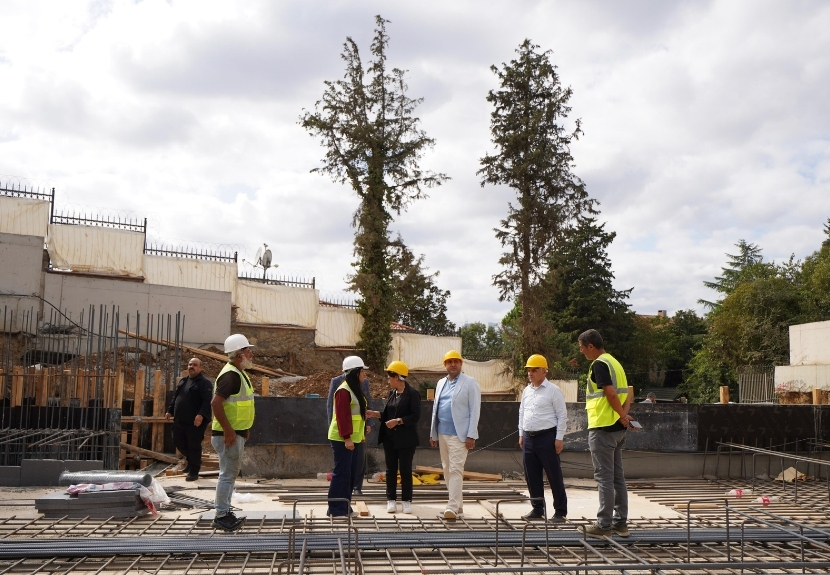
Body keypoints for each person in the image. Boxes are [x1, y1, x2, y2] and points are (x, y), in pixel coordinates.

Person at [578, 329, 633, 538]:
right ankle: (621, 523)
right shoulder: (615, 363)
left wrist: (621, 416)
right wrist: (624, 417)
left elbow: (610, 393)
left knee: (604, 479)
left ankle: (603, 525)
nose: (582, 352)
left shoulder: (599, 364)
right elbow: (628, 393)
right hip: (617, 430)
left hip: (603, 428)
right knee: (617, 477)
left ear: (591, 346)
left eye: (582, 347)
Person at [210, 334, 256, 532]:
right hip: (227, 435)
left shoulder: (238, 373)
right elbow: (215, 403)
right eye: (247, 351)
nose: (251, 354)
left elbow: (236, 406)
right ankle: (221, 515)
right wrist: (229, 430)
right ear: (239, 355)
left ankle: (225, 512)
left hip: (234, 433)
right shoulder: (231, 376)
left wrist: (242, 429)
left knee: (229, 474)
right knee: (227, 475)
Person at [429, 350, 481, 520]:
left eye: (456, 361)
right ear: (445, 365)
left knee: (456, 469)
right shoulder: (441, 383)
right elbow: (436, 409)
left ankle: (451, 507)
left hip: (460, 435)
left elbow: (475, 411)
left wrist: (471, 435)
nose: (453, 364)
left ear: (461, 364)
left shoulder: (470, 383)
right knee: (447, 470)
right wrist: (433, 433)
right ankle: (458, 507)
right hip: (443, 433)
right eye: (449, 362)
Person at [327, 357, 381, 518]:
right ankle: (336, 510)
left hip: (354, 438)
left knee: (349, 474)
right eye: (362, 371)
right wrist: (347, 438)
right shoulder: (344, 390)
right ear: (355, 372)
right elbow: (343, 416)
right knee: (341, 473)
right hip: (343, 439)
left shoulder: (354, 389)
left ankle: (344, 507)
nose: (364, 374)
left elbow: (356, 413)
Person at [518, 354, 568, 522]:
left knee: (554, 475)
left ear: (544, 372)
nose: (530, 373)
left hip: (547, 437)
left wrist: (559, 438)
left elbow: (562, 416)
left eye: (534, 370)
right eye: (528, 370)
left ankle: (560, 511)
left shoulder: (553, 391)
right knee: (531, 475)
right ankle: (537, 509)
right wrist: (521, 434)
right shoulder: (526, 391)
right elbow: (522, 413)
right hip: (529, 438)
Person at [378, 360, 421, 514]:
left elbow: (415, 416)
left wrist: (399, 421)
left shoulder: (413, 394)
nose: (388, 380)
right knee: (390, 470)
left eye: (390, 376)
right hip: (390, 439)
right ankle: (391, 500)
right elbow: (389, 415)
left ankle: (406, 501)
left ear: (397, 377)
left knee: (405, 470)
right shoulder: (392, 394)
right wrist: (376, 414)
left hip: (406, 440)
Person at [165, 357, 213, 481]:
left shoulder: (204, 383)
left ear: (200, 368)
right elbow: (176, 397)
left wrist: (200, 415)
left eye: (195, 365)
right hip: (180, 420)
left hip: (195, 422)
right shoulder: (183, 381)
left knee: (193, 445)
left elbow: (207, 401)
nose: (191, 366)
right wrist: (170, 410)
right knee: (177, 441)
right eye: (190, 364)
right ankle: (192, 460)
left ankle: (194, 471)